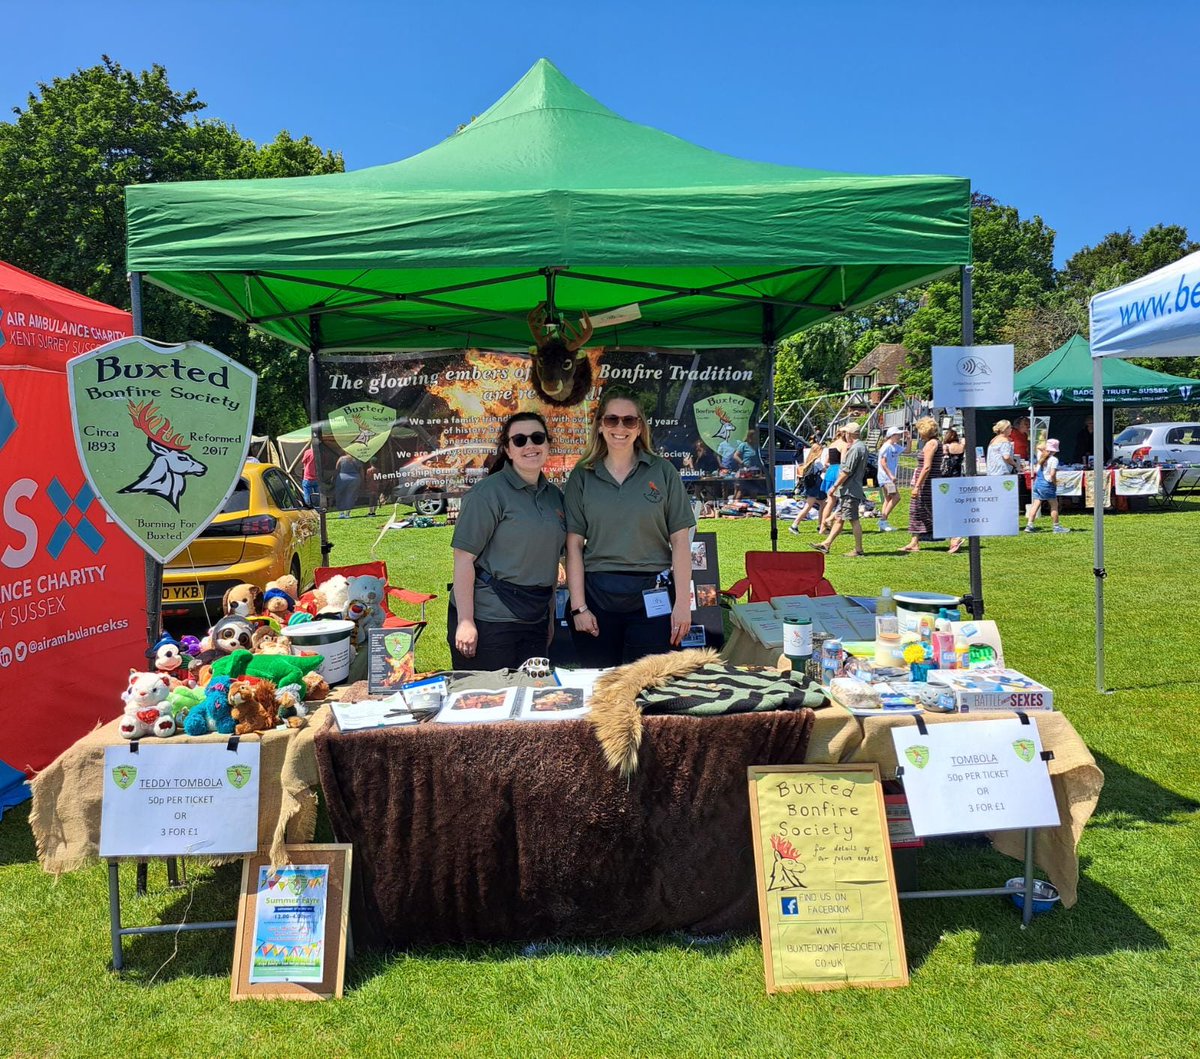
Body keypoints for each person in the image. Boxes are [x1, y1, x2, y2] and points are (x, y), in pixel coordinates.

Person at [565, 387, 696, 667]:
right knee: (602, 684)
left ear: (640, 428)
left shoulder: (663, 472)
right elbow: (573, 545)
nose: (620, 427)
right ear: (600, 426)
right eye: (612, 420)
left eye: (629, 420)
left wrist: (683, 604)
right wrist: (579, 607)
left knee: (651, 684)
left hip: (653, 594)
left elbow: (681, 542)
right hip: (596, 596)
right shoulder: (582, 475)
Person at [449, 412, 566, 670]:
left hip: (534, 618)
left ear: (547, 444)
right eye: (520, 440)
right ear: (508, 449)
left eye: (537, 438)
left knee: (532, 700)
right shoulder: (487, 494)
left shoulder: (554, 497)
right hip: (490, 619)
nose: (530, 446)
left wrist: (548, 619)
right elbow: (463, 559)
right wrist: (466, 621)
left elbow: (549, 562)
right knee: (489, 702)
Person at [815, 422, 867, 557]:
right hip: (849, 489)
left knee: (853, 519)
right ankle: (826, 544)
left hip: (850, 489)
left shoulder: (856, 448)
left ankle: (859, 550)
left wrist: (834, 486)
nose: (844, 435)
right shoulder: (859, 447)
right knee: (839, 518)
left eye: (846, 432)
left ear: (850, 434)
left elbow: (846, 471)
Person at [900, 417, 942, 553]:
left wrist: (917, 486)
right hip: (928, 482)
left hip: (927, 484)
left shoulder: (931, 444)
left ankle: (954, 537)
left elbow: (926, 467)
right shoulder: (933, 442)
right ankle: (914, 542)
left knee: (923, 510)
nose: (918, 433)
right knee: (918, 511)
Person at [1026, 438, 1069, 534]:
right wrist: (1055, 483)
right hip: (1047, 484)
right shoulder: (1054, 459)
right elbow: (1052, 474)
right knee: (1054, 506)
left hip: (1038, 483)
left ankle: (1029, 525)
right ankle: (1056, 527)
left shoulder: (1040, 455)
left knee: (1035, 505)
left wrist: (1044, 447)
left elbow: (1038, 446)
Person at [788, 439, 825, 533]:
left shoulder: (808, 462)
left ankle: (821, 525)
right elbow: (824, 470)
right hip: (815, 487)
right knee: (808, 506)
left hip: (812, 486)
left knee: (823, 504)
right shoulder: (817, 463)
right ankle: (794, 525)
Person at [876, 427, 904, 532]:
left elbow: (908, 450)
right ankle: (883, 520)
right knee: (896, 497)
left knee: (888, 499)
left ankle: (883, 523)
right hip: (886, 478)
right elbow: (883, 462)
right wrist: (891, 475)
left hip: (887, 478)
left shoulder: (894, 446)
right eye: (898, 434)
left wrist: (909, 439)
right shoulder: (887, 447)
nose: (900, 436)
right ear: (892, 435)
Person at [818, 445, 842, 534]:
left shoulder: (831, 446)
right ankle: (826, 522)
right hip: (837, 473)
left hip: (830, 472)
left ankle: (822, 527)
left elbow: (826, 463)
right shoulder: (843, 446)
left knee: (829, 502)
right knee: (840, 502)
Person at [333, 452, 363, 518]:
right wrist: (361, 480)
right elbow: (361, 471)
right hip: (354, 479)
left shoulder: (341, 459)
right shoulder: (356, 460)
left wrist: (333, 478)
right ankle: (348, 513)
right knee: (350, 496)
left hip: (342, 478)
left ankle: (341, 513)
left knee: (340, 495)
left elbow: (337, 469)